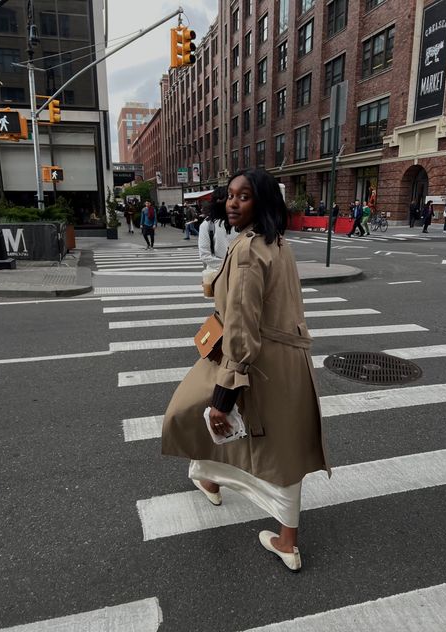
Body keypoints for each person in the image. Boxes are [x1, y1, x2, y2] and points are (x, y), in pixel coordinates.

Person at [162, 168, 330, 572]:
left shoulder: (249, 250)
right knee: (284, 449)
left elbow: (241, 325)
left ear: (264, 202)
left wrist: (225, 393)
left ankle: (216, 481)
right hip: (289, 364)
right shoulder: (279, 244)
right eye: (230, 195)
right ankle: (225, 490)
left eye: (245, 196)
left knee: (195, 411)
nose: (233, 202)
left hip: (255, 361)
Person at [198, 186, 237, 270]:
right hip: (218, 275)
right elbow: (205, 255)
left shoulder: (240, 222)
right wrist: (231, 266)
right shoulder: (207, 225)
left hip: (238, 274)